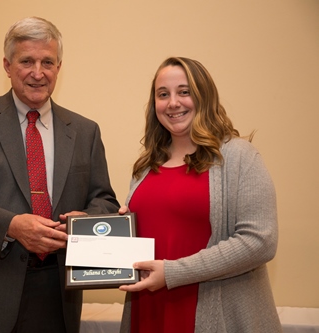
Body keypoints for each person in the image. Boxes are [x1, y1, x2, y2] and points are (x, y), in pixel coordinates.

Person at [0, 17, 119, 333]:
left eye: (47, 62)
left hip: (55, 292)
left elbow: (103, 198)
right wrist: (12, 225)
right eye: (27, 61)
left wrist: (85, 220)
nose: (38, 72)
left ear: (59, 67)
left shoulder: (84, 131)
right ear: (8, 66)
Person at [118, 57, 281, 332]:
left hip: (212, 312)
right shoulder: (146, 165)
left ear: (204, 96)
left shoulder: (238, 156)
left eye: (184, 91)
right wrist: (94, 227)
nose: (173, 103)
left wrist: (172, 274)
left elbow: (260, 241)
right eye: (163, 94)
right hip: (149, 309)